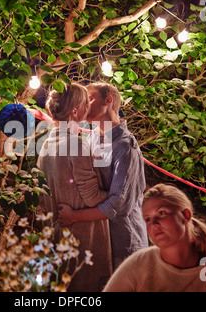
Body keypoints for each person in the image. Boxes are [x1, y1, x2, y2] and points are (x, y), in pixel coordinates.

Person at [58, 82, 148, 270]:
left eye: (90, 98)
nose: (86, 104)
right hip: (101, 242)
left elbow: (118, 204)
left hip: (125, 243)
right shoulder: (91, 138)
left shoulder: (125, 146)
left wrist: (74, 216)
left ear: (108, 100)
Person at [36, 83, 112, 292]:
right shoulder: (76, 144)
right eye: (86, 103)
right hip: (83, 238)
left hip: (57, 234)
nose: (89, 107)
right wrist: (117, 194)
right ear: (75, 111)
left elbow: (43, 196)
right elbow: (92, 198)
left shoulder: (46, 144)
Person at [103, 183, 206, 292]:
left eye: (161, 213)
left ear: (186, 215)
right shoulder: (140, 263)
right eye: (148, 219)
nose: (154, 223)